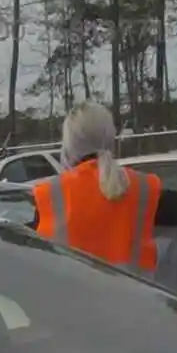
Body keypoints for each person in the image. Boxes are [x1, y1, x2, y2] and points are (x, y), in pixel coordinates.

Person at [33, 102, 162, 274]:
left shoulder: (49, 195)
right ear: (110, 137)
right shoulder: (146, 188)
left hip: (74, 298)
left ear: (69, 144)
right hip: (135, 297)